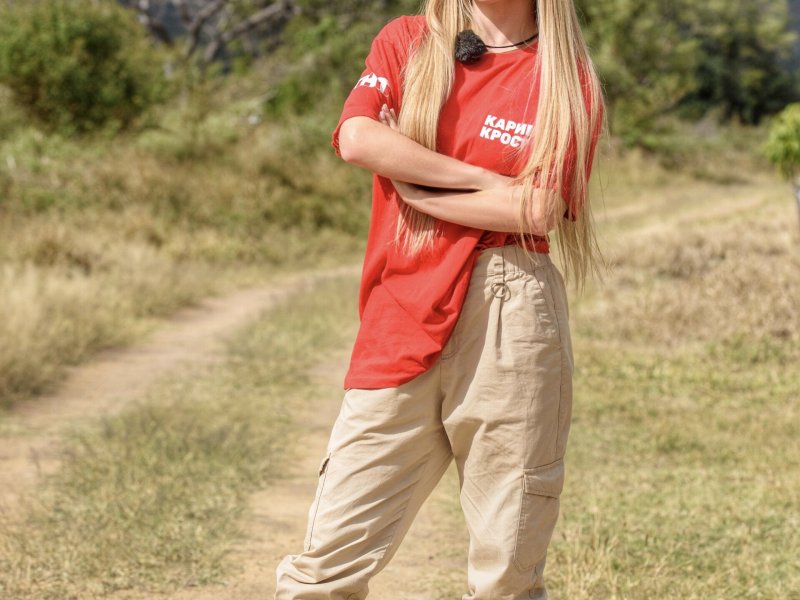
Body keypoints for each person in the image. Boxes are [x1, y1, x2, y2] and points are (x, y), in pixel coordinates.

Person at [275, 0, 605, 597]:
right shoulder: (408, 41)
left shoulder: (565, 76)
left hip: (511, 304)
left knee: (506, 573)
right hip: (401, 304)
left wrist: (418, 188)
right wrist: (481, 181)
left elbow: (536, 208)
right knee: (325, 567)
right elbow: (357, 137)